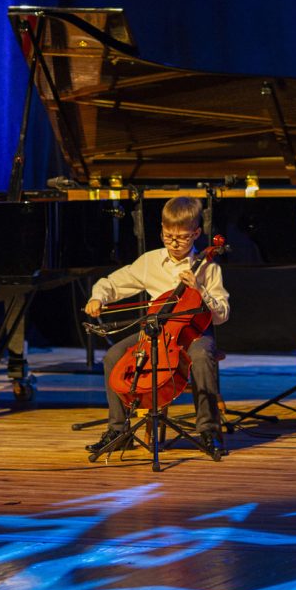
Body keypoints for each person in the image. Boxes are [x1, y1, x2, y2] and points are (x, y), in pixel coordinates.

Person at [84, 195, 230, 457]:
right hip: (157, 331)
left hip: (194, 333)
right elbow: (113, 283)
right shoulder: (149, 261)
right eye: (168, 236)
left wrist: (200, 290)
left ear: (196, 233)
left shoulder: (208, 268)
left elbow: (222, 314)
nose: (174, 243)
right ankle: (118, 431)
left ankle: (209, 430)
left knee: (201, 356)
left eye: (182, 238)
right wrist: (98, 297)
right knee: (113, 356)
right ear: (162, 228)